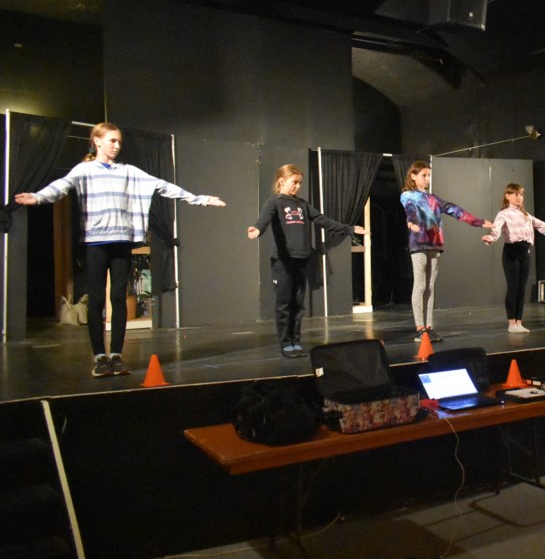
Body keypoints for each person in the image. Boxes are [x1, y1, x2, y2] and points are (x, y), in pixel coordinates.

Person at [14, 122, 226, 378]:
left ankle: (115, 354)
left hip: (122, 241)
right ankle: (98, 356)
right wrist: (38, 197)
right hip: (96, 242)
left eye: (119, 142)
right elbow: (61, 185)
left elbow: (162, 186)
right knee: (96, 299)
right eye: (112, 141)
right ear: (97, 141)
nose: (116, 146)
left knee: (118, 297)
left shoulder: (129, 172)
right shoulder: (85, 170)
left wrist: (201, 199)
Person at [248, 164, 366, 358]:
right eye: (294, 182)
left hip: (302, 259)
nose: (297, 186)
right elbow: (264, 219)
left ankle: (295, 341)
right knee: (284, 303)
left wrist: (349, 229)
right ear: (282, 181)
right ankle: (286, 342)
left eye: (299, 183)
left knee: (298, 303)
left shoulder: (302, 205)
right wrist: (257, 229)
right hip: (283, 261)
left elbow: (323, 220)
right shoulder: (274, 202)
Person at [401, 160, 492, 343]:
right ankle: (419, 328)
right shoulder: (408, 195)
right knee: (419, 285)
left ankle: (429, 327)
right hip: (418, 244)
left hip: (435, 244)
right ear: (413, 176)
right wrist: (412, 222)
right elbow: (410, 209)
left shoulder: (433, 199)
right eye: (423, 175)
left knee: (430, 286)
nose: (426, 179)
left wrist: (477, 221)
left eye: (428, 175)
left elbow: (454, 209)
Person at [482, 183, 545, 333]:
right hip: (511, 253)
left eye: (521, 194)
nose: (519, 197)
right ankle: (511, 323)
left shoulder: (526, 216)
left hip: (524, 253)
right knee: (513, 287)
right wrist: (490, 237)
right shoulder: (503, 214)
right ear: (508, 196)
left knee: (522, 288)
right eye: (515, 194)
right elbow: (496, 229)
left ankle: (519, 322)